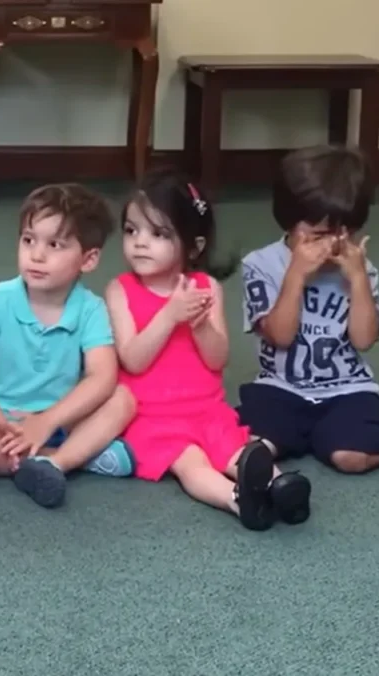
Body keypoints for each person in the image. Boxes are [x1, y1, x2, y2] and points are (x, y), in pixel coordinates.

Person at [105, 168, 311, 531]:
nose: (139, 242)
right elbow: (133, 360)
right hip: (151, 415)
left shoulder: (206, 287)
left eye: (158, 234)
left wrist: (199, 324)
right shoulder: (120, 290)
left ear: (194, 246)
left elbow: (218, 358)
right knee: (191, 463)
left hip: (205, 408)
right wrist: (169, 316)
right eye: (131, 230)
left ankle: (281, 487)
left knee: (241, 451)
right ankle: (238, 502)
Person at [0, 183, 136, 509]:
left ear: (89, 258)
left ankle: (55, 462)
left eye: (55, 244)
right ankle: (72, 459)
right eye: (28, 240)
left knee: (123, 400)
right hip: (2, 422)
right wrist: (1, 423)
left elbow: (102, 376)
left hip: (63, 420)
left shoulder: (90, 308)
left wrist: (47, 420)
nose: (36, 255)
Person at [237, 145, 379, 474]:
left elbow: (364, 339)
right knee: (251, 444)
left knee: (350, 458)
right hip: (280, 386)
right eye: (318, 234)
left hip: (347, 389)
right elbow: (280, 335)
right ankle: (294, 443)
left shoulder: (359, 268)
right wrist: (296, 273)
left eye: (344, 233)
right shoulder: (261, 265)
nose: (331, 245)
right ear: (288, 221)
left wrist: (357, 278)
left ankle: (369, 439)